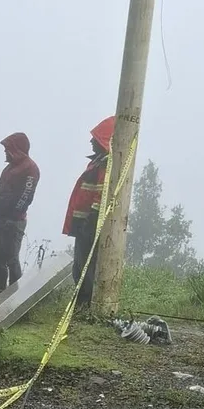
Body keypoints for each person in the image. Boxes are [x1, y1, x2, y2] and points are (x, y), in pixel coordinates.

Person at [63, 116, 115, 307]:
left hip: (90, 223)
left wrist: (90, 221)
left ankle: (84, 304)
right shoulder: (97, 162)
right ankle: (80, 302)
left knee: (86, 265)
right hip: (83, 222)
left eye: (95, 137)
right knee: (79, 265)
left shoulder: (106, 165)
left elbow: (100, 197)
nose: (91, 141)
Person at [0, 132, 40, 294]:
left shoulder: (30, 168)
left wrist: (13, 217)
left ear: (17, 149)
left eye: (8, 149)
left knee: (11, 259)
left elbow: (26, 195)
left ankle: (15, 298)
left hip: (12, 221)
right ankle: (0, 294)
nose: (5, 152)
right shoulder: (9, 168)